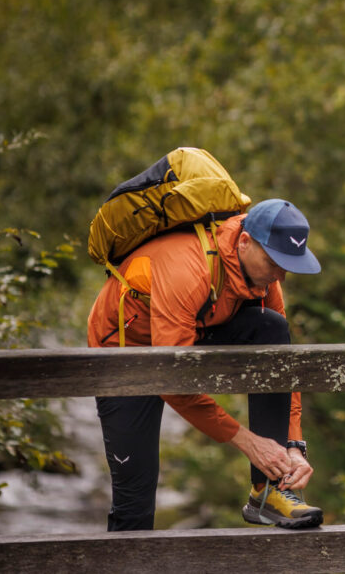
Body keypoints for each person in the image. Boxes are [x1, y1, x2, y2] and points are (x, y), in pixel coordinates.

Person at [87, 198, 324, 531]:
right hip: (125, 349)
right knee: (135, 502)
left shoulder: (265, 277)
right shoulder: (187, 268)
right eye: (275, 262)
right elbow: (172, 379)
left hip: (194, 329)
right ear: (244, 242)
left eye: (288, 265)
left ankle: (267, 491)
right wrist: (246, 440)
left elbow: (282, 363)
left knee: (271, 326)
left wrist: (293, 445)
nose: (281, 275)